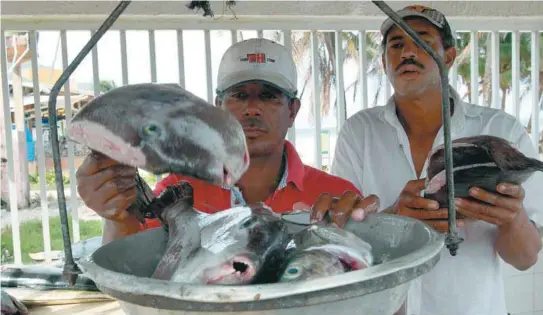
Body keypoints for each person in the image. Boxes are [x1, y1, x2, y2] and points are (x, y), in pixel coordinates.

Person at [330, 5, 542, 315]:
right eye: (397, 44)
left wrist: (511, 217)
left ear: (450, 57)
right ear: (384, 61)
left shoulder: (500, 130)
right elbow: (342, 243)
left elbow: (525, 259)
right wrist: (396, 219)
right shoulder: (359, 131)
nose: (407, 52)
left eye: (422, 41)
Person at [76, 37, 379, 245]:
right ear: (218, 107)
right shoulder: (175, 193)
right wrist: (116, 214)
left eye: (269, 96)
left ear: (293, 110)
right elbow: (136, 270)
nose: (252, 109)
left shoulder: (337, 197)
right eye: (239, 95)